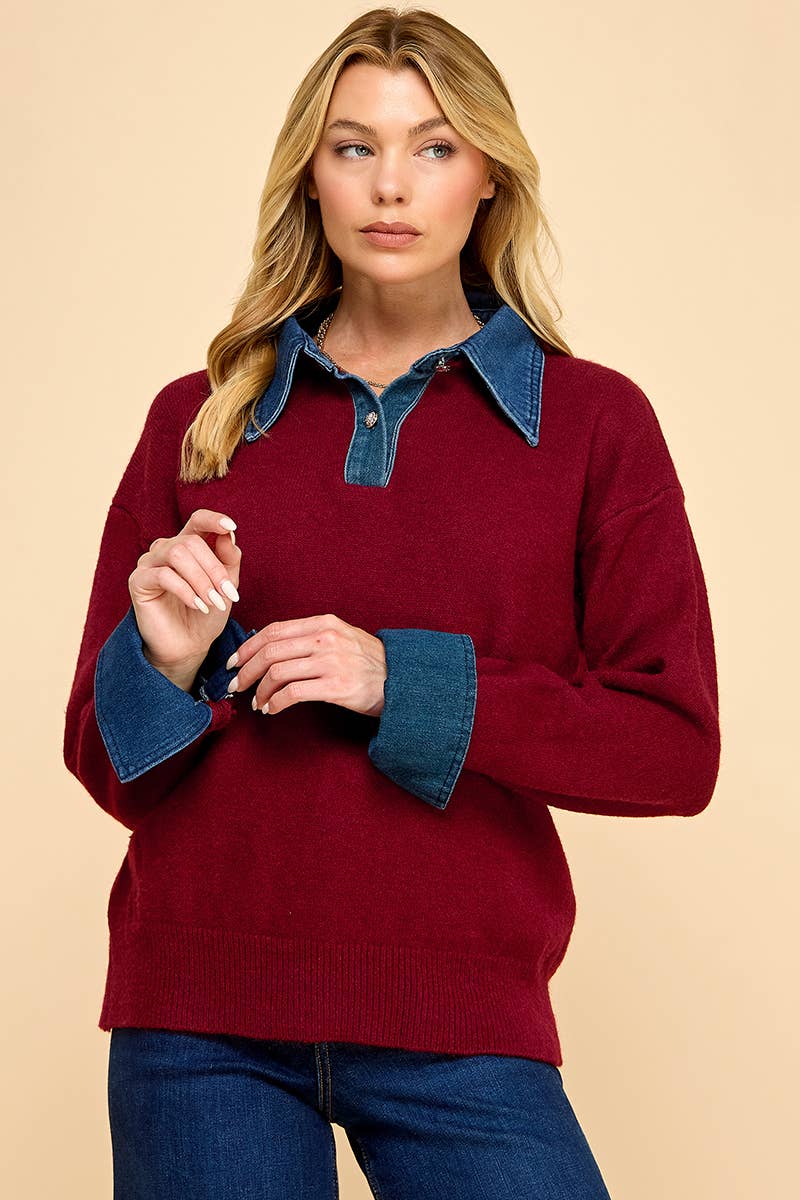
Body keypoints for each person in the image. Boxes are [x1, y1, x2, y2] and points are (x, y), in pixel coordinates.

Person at [63, 6, 721, 1198]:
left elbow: (670, 748)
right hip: (196, 1027)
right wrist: (161, 663)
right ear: (309, 175)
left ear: (488, 175)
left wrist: (396, 679)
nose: (390, 186)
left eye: (433, 146)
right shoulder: (196, 420)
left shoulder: (591, 426)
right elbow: (104, 769)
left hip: (461, 1019)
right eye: (353, 146)